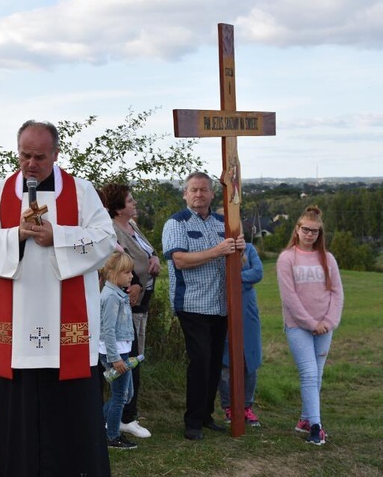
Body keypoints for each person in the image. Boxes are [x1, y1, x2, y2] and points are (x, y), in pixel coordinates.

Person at [0, 120, 116, 476]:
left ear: (56, 154)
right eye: (24, 155)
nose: (31, 164)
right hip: (17, 321)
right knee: (21, 409)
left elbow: (105, 240)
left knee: (71, 412)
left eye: (39, 156)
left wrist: (58, 237)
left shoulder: (81, 192)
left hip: (69, 322)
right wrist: (16, 234)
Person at [161, 171, 245, 441]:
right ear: (185, 193)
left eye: (204, 190)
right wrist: (217, 251)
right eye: (193, 190)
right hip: (193, 303)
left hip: (221, 304)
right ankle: (192, 421)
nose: (199, 194)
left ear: (211, 194)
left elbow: (238, 263)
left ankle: (207, 415)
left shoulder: (225, 222)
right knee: (200, 361)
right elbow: (180, 260)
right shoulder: (176, 223)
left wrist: (239, 250)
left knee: (213, 363)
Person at [276, 205, 344, 446]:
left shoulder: (328, 258)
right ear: (297, 229)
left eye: (315, 231)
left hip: (325, 326)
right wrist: (311, 323)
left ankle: (305, 419)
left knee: (318, 374)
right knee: (309, 373)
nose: (310, 234)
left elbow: (337, 293)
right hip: (298, 326)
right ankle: (317, 427)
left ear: (320, 233)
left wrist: (328, 322)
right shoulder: (287, 259)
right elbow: (289, 297)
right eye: (306, 230)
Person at [101, 183, 159, 439]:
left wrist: (155, 257)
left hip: (142, 299)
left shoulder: (132, 225)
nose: (134, 203)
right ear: (117, 207)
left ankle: (125, 413)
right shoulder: (111, 230)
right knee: (128, 357)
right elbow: (116, 264)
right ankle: (123, 417)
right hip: (127, 300)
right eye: (130, 200)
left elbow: (147, 251)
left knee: (135, 355)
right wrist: (134, 283)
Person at [218, 241, 264, 427]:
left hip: (247, 309)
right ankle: (229, 406)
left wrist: (235, 276)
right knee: (226, 360)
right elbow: (220, 277)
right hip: (223, 305)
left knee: (250, 360)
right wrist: (242, 277)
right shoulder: (218, 249)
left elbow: (258, 272)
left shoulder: (249, 249)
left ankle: (246, 407)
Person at [99, 251, 138, 449]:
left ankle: (97, 425)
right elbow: (107, 330)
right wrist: (115, 358)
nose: (131, 276)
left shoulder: (118, 294)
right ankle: (112, 437)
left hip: (121, 351)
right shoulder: (111, 297)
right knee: (120, 396)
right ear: (114, 274)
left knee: (126, 394)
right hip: (114, 354)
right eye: (127, 272)